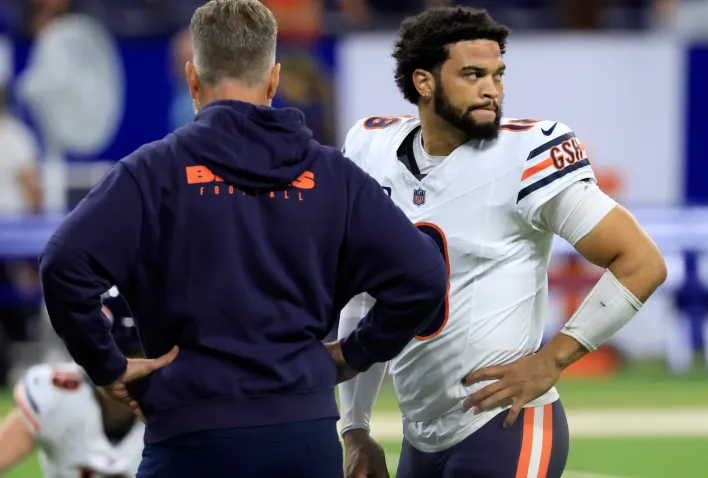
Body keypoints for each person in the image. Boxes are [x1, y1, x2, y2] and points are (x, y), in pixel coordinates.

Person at [37, 1, 448, 477]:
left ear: (192, 80)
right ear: (274, 80)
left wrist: (106, 365)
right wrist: (353, 353)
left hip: (191, 435)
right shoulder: (334, 174)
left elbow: (63, 263)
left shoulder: (151, 173)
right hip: (304, 435)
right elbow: (423, 276)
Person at [338, 6, 668, 478]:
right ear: (424, 83)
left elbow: (641, 261)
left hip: (506, 423)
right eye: (472, 74)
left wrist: (552, 360)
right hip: (421, 434)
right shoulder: (372, 151)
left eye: (497, 74)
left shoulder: (525, 153)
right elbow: (364, 299)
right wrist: (355, 428)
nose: (491, 88)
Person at [0, 289, 146, 477]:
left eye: (135, 353)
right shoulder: (55, 395)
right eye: (109, 351)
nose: (122, 365)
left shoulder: (178, 408)